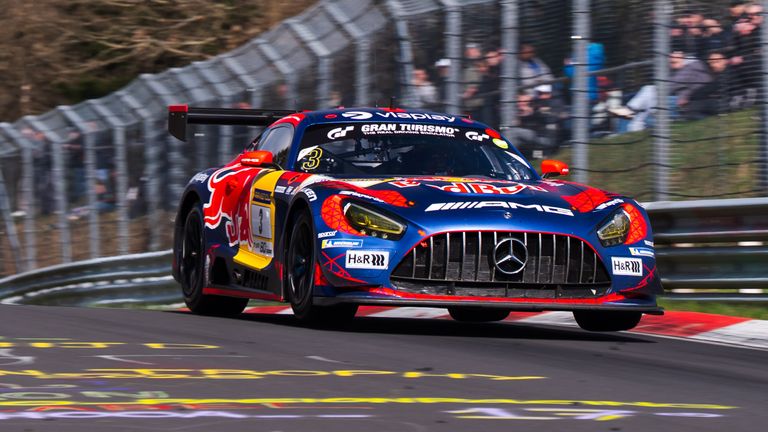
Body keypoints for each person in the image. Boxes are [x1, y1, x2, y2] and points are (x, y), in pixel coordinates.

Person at [608, 52, 711, 131]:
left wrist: (659, 89)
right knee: (648, 99)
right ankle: (634, 125)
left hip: (687, 104)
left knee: (649, 91)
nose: (671, 65)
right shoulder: (689, 66)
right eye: (670, 62)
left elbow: (671, 86)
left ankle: (631, 112)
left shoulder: (692, 66)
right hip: (682, 101)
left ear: (682, 57)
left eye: (673, 62)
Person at [684, 51, 735, 119]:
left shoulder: (728, 73)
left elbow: (713, 87)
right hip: (720, 102)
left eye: (716, 62)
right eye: (711, 63)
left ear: (725, 61)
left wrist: (691, 96)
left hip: (729, 102)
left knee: (695, 106)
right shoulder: (717, 74)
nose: (713, 65)